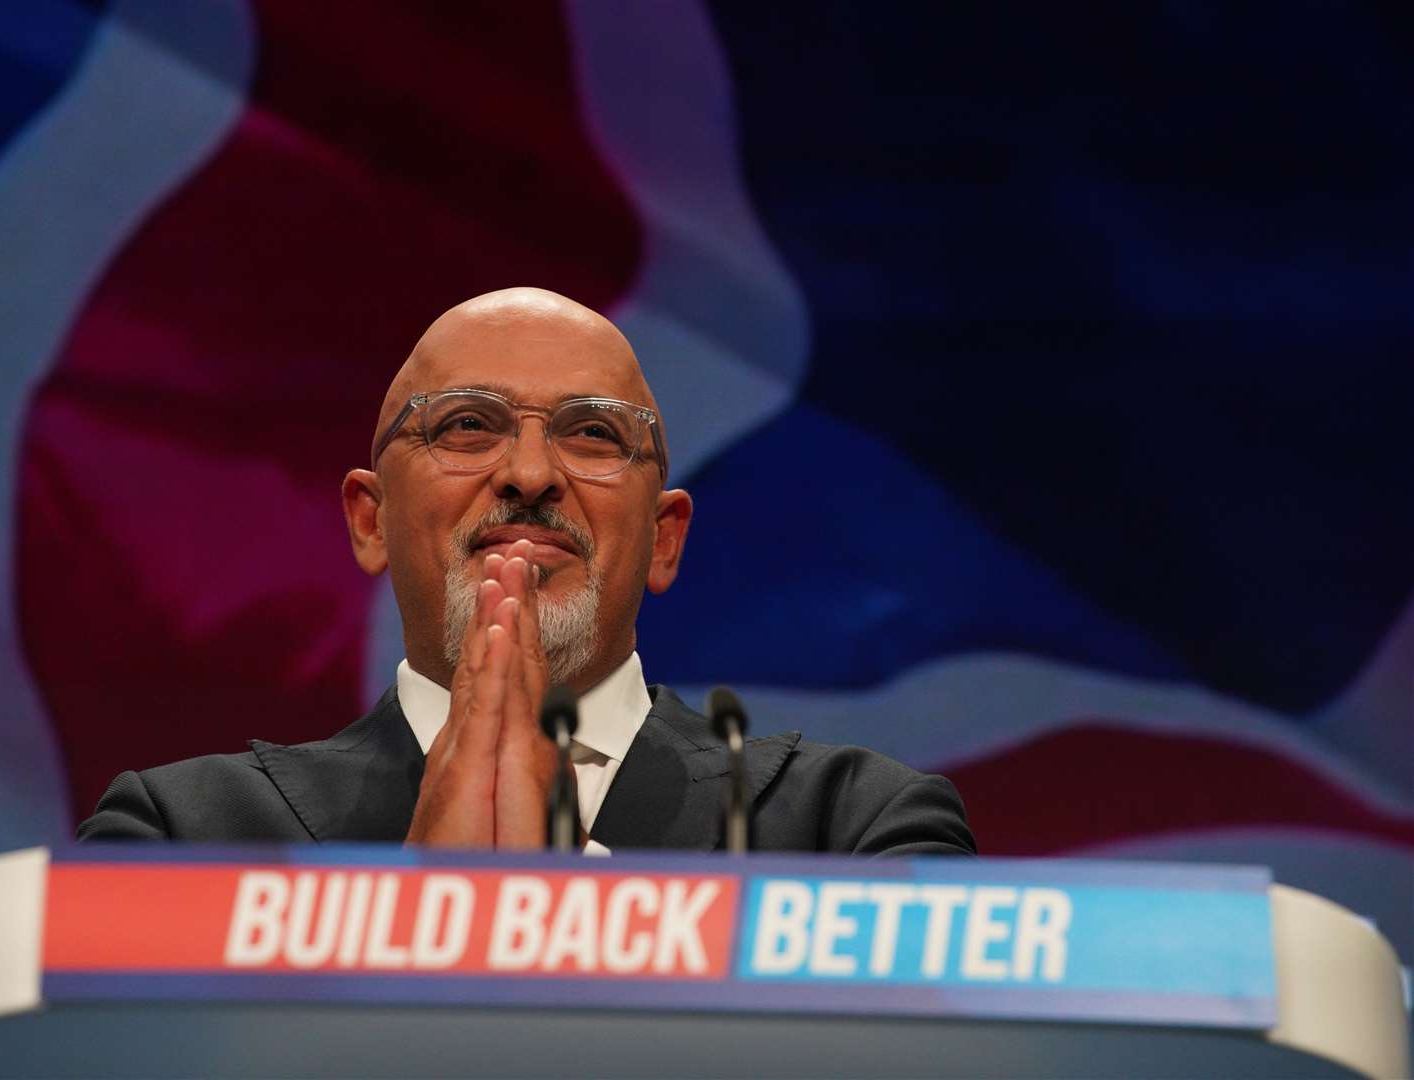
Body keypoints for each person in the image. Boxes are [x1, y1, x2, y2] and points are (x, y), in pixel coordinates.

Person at [79, 287, 974, 856]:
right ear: (370, 518)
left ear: (664, 539)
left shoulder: (854, 832)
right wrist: (409, 935)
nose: (533, 475)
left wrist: (554, 922)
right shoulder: (182, 834)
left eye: (593, 434)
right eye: (467, 425)